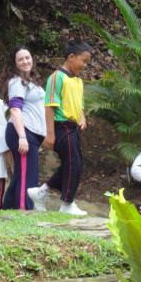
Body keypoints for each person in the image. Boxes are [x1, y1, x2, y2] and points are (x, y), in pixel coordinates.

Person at [27, 40, 92, 216]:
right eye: (83, 61)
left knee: (73, 164)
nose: (85, 65)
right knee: (73, 164)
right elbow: (50, 106)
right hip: (61, 125)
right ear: (71, 57)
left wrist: (82, 117)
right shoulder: (57, 77)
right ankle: (67, 203)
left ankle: (41, 192)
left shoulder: (77, 81)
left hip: (73, 127)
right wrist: (50, 133)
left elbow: (80, 104)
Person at [1, 45, 47, 210]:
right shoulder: (17, 82)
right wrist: (22, 137)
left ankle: (8, 210)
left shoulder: (32, 82)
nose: (25, 61)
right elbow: (15, 109)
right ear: (14, 64)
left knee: (23, 175)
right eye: (20, 59)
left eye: (27, 58)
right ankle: (23, 210)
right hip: (23, 132)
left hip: (32, 134)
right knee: (28, 177)